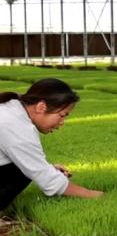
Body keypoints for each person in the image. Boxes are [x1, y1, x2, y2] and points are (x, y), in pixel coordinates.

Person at [0, 78, 103, 213]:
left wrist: (46, 167)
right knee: (23, 171)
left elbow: (31, 163)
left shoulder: (10, 108)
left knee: (26, 168)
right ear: (41, 107)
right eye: (62, 115)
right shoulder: (16, 126)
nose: (62, 122)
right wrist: (95, 195)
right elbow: (46, 178)